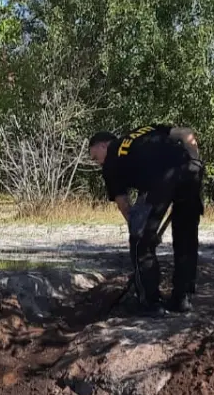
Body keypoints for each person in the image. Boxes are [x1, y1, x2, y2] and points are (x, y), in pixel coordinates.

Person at [87, 125, 204, 314]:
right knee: (186, 236)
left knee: (140, 243)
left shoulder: (111, 160)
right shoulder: (145, 131)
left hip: (159, 177)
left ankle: (150, 303)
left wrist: (143, 234)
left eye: (95, 157)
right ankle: (182, 299)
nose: (97, 163)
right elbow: (186, 133)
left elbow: (124, 205)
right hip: (190, 168)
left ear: (103, 145)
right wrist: (195, 161)